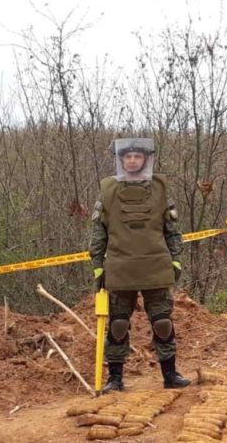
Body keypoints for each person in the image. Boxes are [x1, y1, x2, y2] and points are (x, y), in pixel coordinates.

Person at [89, 137, 191, 392]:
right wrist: (98, 266)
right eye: (128, 156)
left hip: (156, 266)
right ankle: (115, 378)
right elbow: (98, 232)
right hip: (119, 267)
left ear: (146, 158)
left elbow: (172, 231)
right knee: (118, 324)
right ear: (121, 160)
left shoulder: (160, 188)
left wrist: (176, 260)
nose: (132, 160)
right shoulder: (108, 189)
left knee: (162, 322)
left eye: (137, 156)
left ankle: (170, 375)